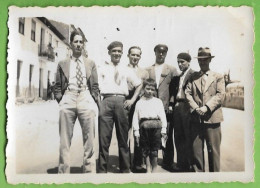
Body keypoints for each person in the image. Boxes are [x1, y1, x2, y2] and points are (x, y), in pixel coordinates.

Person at [54, 30, 99, 173]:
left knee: (89, 140)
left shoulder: (90, 63)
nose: (79, 45)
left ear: (83, 45)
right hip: (69, 97)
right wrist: (62, 100)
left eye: (81, 42)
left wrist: (93, 100)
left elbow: (95, 86)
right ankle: (63, 174)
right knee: (64, 141)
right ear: (71, 44)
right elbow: (57, 85)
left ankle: (89, 174)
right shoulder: (62, 63)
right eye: (76, 42)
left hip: (85, 96)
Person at [98, 41, 143, 173]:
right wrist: (99, 103)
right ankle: (101, 170)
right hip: (106, 100)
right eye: (114, 51)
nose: (116, 53)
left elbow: (139, 84)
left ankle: (125, 169)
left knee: (123, 138)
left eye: (119, 51)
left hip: (121, 101)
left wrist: (132, 100)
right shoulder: (102, 68)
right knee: (104, 139)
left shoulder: (126, 69)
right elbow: (95, 87)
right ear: (109, 53)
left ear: (122, 54)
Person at [185, 47, 225, 172]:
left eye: (205, 60)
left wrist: (206, 107)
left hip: (212, 119)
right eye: (200, 60)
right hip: (196, 119)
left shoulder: (218, 77)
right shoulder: (193, 77)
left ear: (209, 60)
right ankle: (199, 179)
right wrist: (196, 108)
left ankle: (214, 180)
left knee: (213, 151)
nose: (202, 62)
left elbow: (220, 95)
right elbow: (187, 93)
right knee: (196, 151)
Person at [146, 44, 179, 171]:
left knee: (167, 135)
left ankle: (168, 162)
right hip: (151, 107)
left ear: (166, 53)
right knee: (150, 134)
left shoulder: (172, 70)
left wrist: (171, 103)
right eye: (159, 51)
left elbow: (175, 89)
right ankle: (149, 161)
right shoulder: (148, 70)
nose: (161, 54)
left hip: (166, 108)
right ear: (155, 52)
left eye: (164, 52)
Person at [132, 78, 167, 173]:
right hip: (144, 127)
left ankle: (154, 168)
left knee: (154, 149)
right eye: (148, 89)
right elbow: (135, 117)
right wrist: (136, 131)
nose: (150, 91)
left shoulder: (158, 101)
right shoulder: (139, 102)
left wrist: (164, 129)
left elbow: (162, 116)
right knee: (145, 149)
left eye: (152, 89)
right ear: (143, 89)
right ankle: (148, 168)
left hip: (156, 127)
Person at [126, 46, 149, 172]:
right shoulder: (122, 69)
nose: (135, 57)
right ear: (128, 55)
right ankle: (125, 162)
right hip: (126, 103)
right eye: (133, 55)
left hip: (139, 104)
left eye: (137, 55)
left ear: (140, 56)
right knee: (125, 133)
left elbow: (148, 89)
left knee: (138, 133)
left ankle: (137, 163)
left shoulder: (144, 72)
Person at [171, 52, 194, 172]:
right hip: (177, 106)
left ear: (189, 62)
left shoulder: (193, 74)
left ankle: (190, 165)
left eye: (182, 62)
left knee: (188, 136)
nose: (180, 64)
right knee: (178, 136)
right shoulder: (179, 76)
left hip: (187, 106)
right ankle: (181, 164)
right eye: (178, 62)